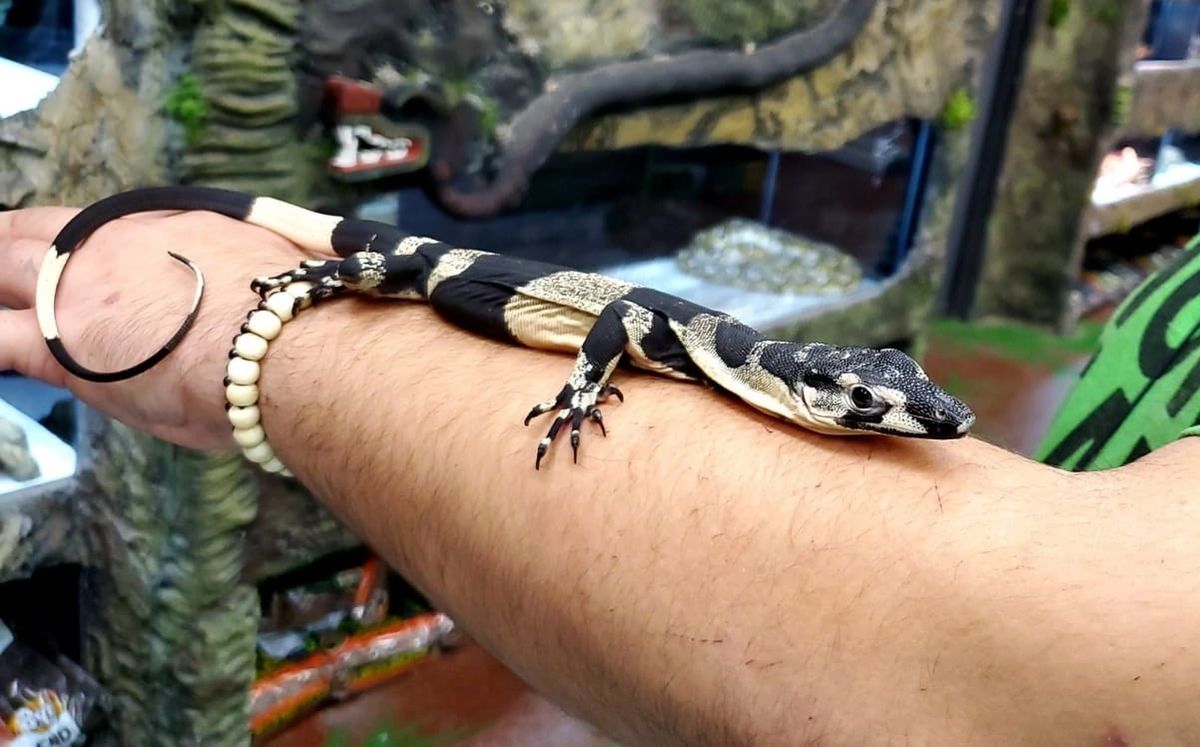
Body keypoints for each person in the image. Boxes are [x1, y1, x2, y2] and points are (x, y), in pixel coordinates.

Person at [1, 204, 1198, 745]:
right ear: (831, 390)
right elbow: (621, 333)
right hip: (470, 278)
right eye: (882, 412)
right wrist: (295, 300)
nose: (916, 427)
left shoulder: (756, 367)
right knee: (400, 266)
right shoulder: (727, 360)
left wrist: (272, 359)